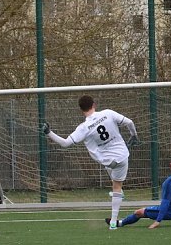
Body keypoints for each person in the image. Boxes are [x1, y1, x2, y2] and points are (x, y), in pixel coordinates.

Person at [44, 95, 138, 230]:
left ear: (81, 110)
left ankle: (118, 195)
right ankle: (113, 221)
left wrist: (49, 132)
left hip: (106, 161)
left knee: (115, 183)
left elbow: (65, 143)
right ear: (94, 104)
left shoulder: (84, 127)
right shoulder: (108, 113)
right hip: (122, 156)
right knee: (117, 187)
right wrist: (134, 135)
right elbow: (129, 122)